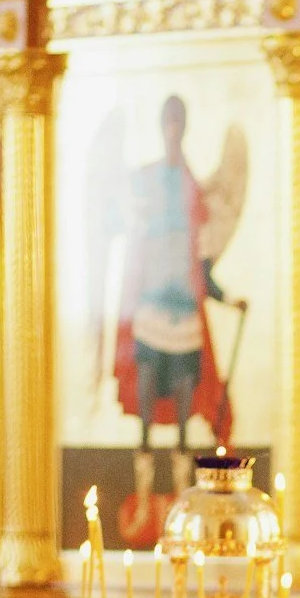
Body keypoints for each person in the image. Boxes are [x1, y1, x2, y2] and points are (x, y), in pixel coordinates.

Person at [111, 97, 245, 458]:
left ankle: (184, 477)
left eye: (179, 122)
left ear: (184, 128)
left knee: (186, 401)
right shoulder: (146, 182)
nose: (173, 129)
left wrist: (229, 299)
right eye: (168, 122)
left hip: (183, 312)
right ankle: (142, 487)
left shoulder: (193, 190)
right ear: (161, 127)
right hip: (151, 308)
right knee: (147, 393)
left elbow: (202, 267)